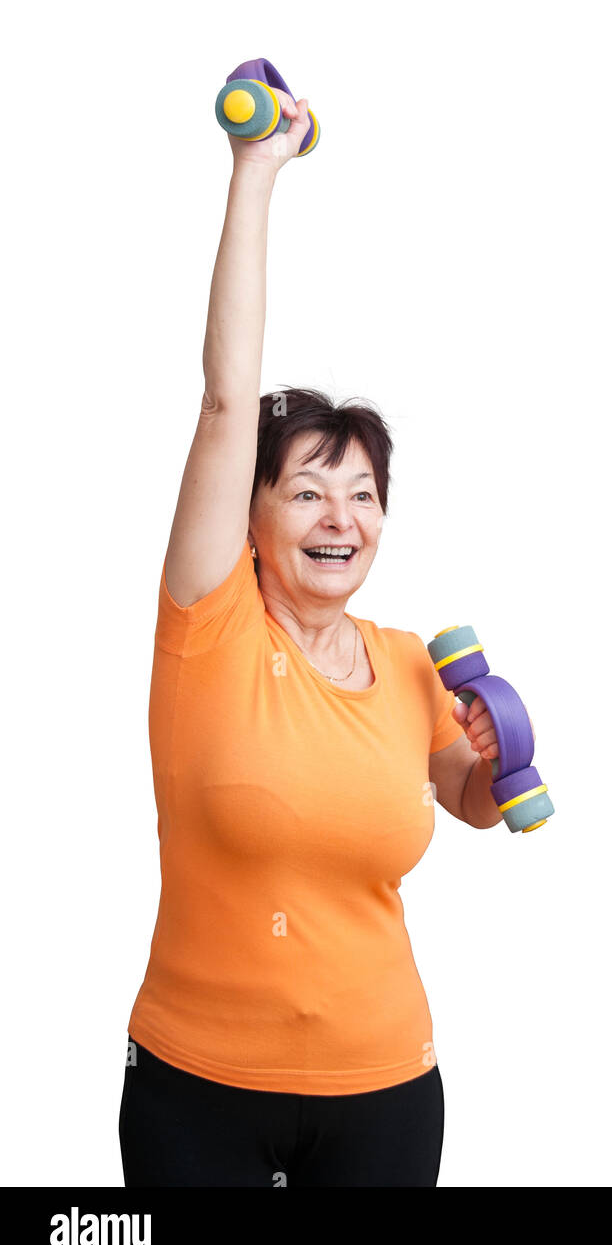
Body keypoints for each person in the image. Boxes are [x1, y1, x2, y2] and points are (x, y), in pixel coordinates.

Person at [119, 87, 508, 1188]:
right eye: (306, 492)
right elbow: (225, 402)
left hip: (385, 1084)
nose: (341, 518)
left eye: (363, 496)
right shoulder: (211, 624)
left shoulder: (407, 663)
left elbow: (470, 805)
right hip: (197, 1088)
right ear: (250, 516)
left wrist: (492, 761)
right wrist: (255, 172)